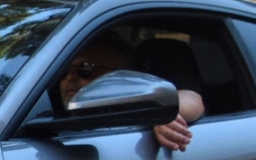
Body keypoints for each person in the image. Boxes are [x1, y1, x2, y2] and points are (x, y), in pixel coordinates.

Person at [53, 32, 202, 153]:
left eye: (85, 68)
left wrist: (157, 113)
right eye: (65, 70)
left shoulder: (133, 107)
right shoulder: (42, 108)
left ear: (123, 77)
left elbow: (193, 99)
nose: (70, 77)